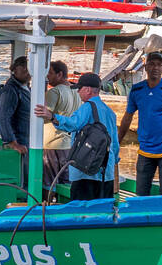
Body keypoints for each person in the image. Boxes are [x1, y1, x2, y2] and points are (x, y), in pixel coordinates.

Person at [34, 72, 119, 201]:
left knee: (81, 211)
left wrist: (52, 116)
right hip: (106, 173)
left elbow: (73, 124)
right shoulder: (110, 112)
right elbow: (115, 144)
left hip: (86, 173)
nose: (78, 92)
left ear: (88, 90)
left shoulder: (87, 107)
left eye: (80, 89)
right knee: (102, 210)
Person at [117, 50, 162, 197]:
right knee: (141, 193)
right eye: (152, 64)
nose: (155, 67)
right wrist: (117, 143)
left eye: (159, 65)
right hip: (145, 151)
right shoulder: (137, 90)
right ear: (145, 66)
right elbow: (127, 118)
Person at [42, 60, 80, 199]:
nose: (48, 77)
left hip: (51, 144)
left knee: (48, 184)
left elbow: (44, 115)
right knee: (65, 183)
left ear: (60, 74)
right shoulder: (76, 91)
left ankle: (46, 210)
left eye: (50, 74)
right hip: (69, 144)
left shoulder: (54, 92)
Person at [0, 56, 32, 187]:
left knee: (29, 177)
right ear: (15, 69)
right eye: (24, 68)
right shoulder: (11, 91)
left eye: (30, 68)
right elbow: (2, 117)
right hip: (21, 142)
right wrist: (13, 143)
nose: (28, 72)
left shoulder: (27, 88)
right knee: (23, 180)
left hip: (28, 142)